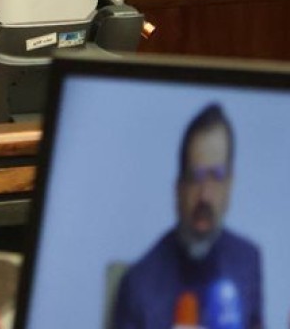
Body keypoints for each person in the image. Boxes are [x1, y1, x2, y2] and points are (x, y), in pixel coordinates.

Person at [112, 103, 263, 329]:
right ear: (178, 188)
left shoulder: (248, 261)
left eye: (216, 176)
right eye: (195, 177)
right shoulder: (138, 286)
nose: (205, 196)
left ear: (230, 186)